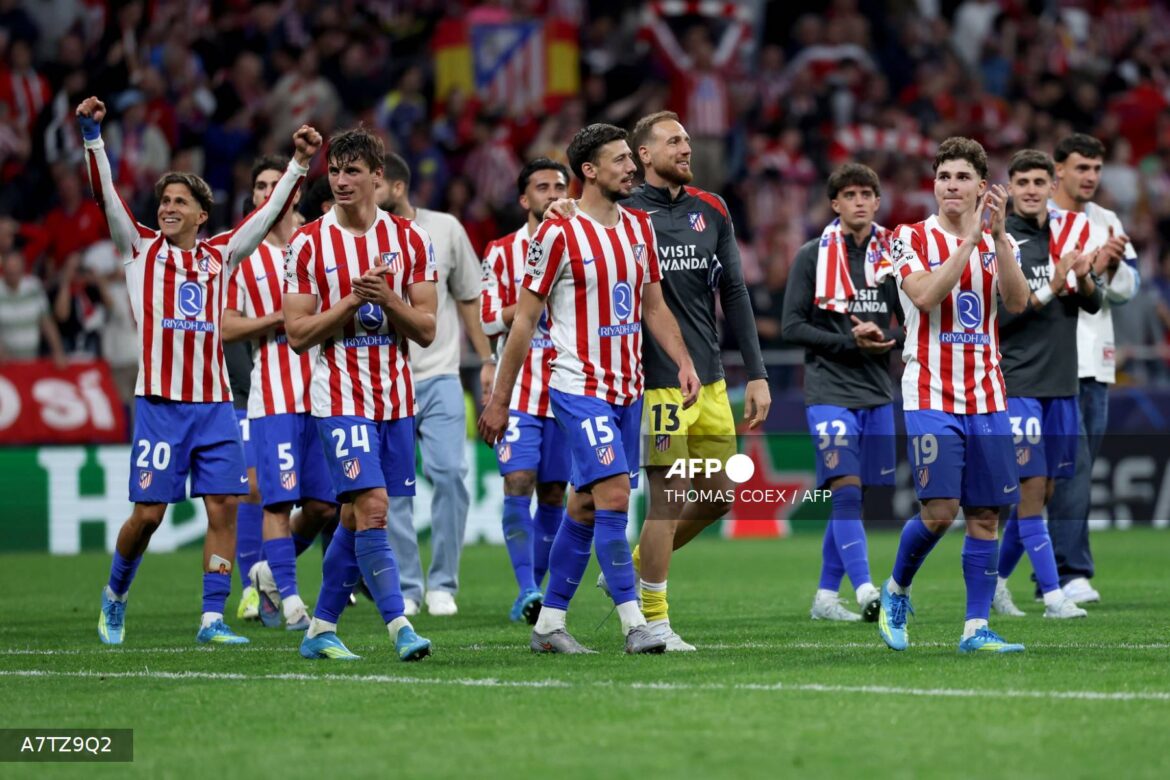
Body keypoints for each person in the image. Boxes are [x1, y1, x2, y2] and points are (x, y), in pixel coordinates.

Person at [78, 95, 319, 646]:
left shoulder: (219, 255)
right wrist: (93, 137)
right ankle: (115, 596)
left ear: (200, 214)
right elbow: (105, 196)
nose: (167, 208)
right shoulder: (138, 250)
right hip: (160, 406)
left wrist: (300, 164)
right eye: (164, 200)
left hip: (213, 406)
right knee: (148, 515)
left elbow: (264, 216)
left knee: (225, 507)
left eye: (180, 201)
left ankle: (212, 618)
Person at [551, 111, 770, 651]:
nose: (687, 149)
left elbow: (736, 294)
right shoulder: (622, 211)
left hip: (710, 379)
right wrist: (559, 206)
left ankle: (627, 567)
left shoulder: (712, 209)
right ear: (643, 155)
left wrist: (758, 374)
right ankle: (655, 619)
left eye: (688, 140)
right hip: (650, 381)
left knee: (719, 495)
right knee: (666, 499)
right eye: (674, 142)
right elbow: (573, 223)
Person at [479, 123, 699, 655]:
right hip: (578, 387)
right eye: (621, 160)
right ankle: (635, 625)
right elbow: (525, 323)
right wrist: (501, 400)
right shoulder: (558, 234)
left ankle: (548, 625)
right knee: (616, 498)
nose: (632, 167)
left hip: (629, 390)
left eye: (632, 158)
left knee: (582, 508)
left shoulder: (639, 228)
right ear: (590, 171)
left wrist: (684, 361)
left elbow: (652, 305)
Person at [283, 127, 436, 662]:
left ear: (379, 176)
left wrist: (387, 298)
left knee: (353, 517)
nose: (341, 180)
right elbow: (298, 335)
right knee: (371, 508)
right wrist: (351, 301)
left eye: (353, 170)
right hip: (339, 394)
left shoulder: (411, 240)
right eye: (335, 170)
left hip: (395, 397)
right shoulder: (307, 244)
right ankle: (399, 626)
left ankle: (320, 627)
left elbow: (426, 328)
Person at [876, 136, 1031, 654]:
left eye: (963, 177)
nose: (951, 186)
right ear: (934, 185)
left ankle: (975, 629)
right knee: (941, 511)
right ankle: (896, 590)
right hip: (929, 392)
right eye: (944, 177)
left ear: (982, 187)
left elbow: (1017, 300)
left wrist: (1000, 236)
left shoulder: (999, 243)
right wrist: (969, 242)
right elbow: (923, 294)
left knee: (986, 515)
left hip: (986, 393)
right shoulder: (909, 237)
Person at [780, 163, 902, 623]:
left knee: (857, 495)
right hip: (828, 389)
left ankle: (826, 597)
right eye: (849, 194)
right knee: (845, 489)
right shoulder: (812, 256)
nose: (858, 201)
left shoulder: (895, 254)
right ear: (835, 204)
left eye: (866, 193)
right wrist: (849, 341)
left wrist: (884, 335)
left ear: (877, 201)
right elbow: (792, 325)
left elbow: (912, 322)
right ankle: (868, 589)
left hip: (876, 391)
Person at [223, 155, 340, 631]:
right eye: (261, 185)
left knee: (321, 506)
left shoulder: (320, 243)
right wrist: (278, 321)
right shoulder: (243, 255)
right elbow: (226, 324)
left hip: (325, 394)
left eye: (279, 184)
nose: (270, 192)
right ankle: (291, 600)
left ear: (294, 193)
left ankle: (267, 570)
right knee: (274, 501)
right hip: (273, 395)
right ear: (253, 197)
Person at [376, 152, 494, 617]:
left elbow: (468, 297)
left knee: (449, 475)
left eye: (375, 182)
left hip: (442, 374)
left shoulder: (445, 229)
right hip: (388, 380)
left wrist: (487, 359)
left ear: (397, 187)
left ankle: (443, 582)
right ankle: (408, 585)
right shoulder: (359, 239)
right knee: (397, 490)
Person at [993, 149, 1101, 619]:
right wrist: (1051, 287)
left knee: (1049, 491)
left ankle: (996, 582)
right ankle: (1054, 594)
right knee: (1032, 487)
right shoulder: (1002, 243)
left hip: (1062, 383)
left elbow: (1092, 304)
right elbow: (1003, 317)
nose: (1033, 190)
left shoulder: (1067, 235)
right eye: (1024, 183)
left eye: (1040, 182)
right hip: (1019, 382)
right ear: (1011, 189)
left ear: (1049, 187)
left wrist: (1082, 279)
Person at [1044, 134, 1139, 605]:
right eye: (1081, 167)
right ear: (1058, 169)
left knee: (1076, 469)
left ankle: (1044, 572)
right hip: (1048, 362)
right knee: (1067, 470)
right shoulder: (1039, 217)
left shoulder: (1107, 221)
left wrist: (1109, 268)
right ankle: (1069, 572)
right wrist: (1092, 272)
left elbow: (1129, 288)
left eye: (1097, 169)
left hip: (1096, 363)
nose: (1090, 177)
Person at [479, 158, 571, 623]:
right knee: (519, 481)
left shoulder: (581, 243)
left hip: (567, 387)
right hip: (517, 392)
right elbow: (489, 318)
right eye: (542, 187)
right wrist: (536, 296)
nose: (553, 193)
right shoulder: (500, 252)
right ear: (524, 198)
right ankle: (527, 588)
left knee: (554, 492)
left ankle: (533, 593)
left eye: (559, 185)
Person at [223, 337, 262, 622]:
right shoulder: (232, 296)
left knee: (317, 502)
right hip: (244, 401)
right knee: (251, 488)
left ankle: (276, 582)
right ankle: (251, 588)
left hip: (289, 397)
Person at [0, 248, 66, 365]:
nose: (13, 274)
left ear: (22, 269)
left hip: (31, 359)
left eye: (16, 270)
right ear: (4, 269)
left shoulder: (34, 287)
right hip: (5, 363)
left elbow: (46, 322)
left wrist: (58, 351)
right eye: (10, 271)